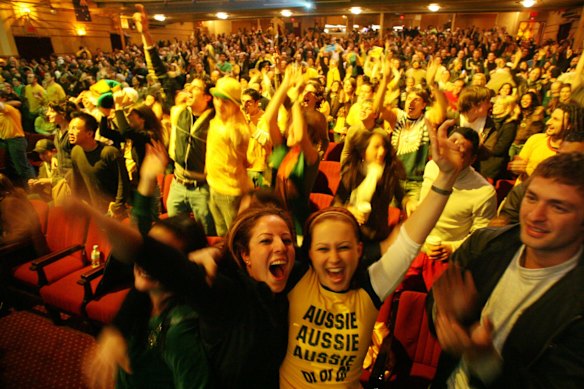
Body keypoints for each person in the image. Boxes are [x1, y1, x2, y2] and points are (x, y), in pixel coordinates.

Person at [279, 117, 466, 388]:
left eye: (343, 247)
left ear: (358, 251)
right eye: (323, 249)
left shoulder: (371, 287)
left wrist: (445, 179)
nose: (334, 258)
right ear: (309, 253)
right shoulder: (296, 280)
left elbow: (410, 239)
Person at [427, 152, 584, 387]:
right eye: (532, 198)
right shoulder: (485, 244)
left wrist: (486, 362)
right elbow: (436, 305)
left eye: (558, 207)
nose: (535, 215)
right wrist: (452, 315)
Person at [335, 128, 405, 241]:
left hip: (379, 237)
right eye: (376, 147)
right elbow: (336, 203)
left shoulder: (388, 174)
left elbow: (401, 197)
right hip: (353, 234)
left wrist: (408, 201)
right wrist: (349, 210)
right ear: (363, 152)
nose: (382, 152)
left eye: (384, 147)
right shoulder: (353, 172)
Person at [206, 76, 252, 236]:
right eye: (217, 98)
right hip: (213, 185)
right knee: (221, 234)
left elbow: (242, 140)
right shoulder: (218, 119)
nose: (219, 104)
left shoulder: (237, 127)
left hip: (230, 193)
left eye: (225, 101)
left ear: (235, 105)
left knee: (234, 236)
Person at [69, 112, 130, 218]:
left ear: (89, 133)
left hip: (114, 213)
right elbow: (77, 180)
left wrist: (117, 207)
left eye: (75, 128)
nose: (70, 132)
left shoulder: (109, 153)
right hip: (94, 210)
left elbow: (123, 182)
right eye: (70, 128)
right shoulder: (76, 151)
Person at [0, 91, 36, 188]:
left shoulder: (11, 109)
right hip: (7, 141)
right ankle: (19, 188)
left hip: (16, 140)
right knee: (12, 168)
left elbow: (2, 106)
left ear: (3, 99)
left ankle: (33, 188)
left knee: (23, 167)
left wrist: (6, 103)